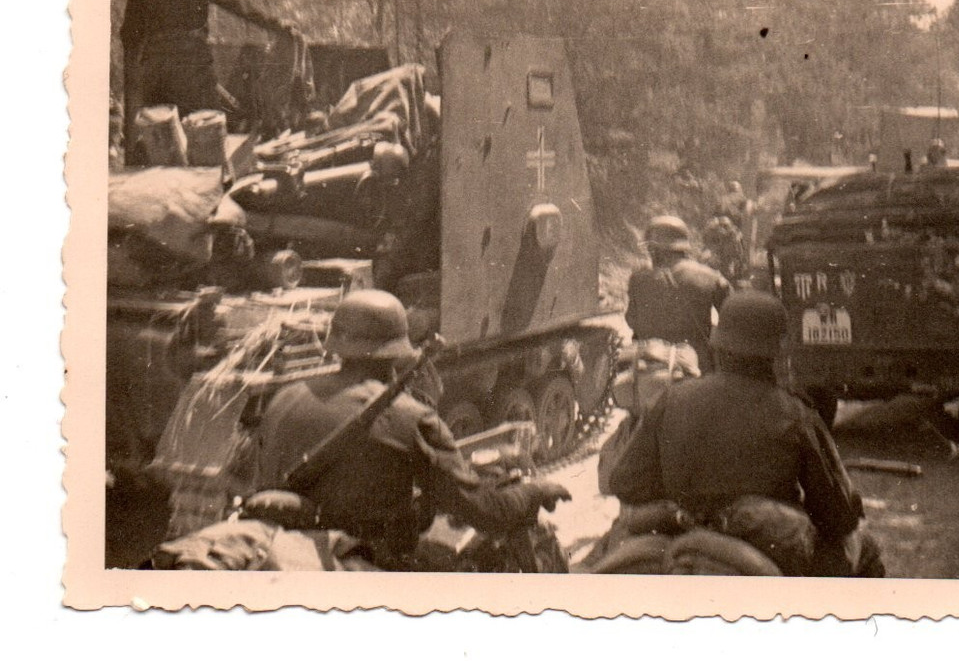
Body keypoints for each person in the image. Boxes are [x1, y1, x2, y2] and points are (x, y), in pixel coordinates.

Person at [156, 290, 570, 571]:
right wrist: (533, 492)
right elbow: (484, 512)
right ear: (398, 353)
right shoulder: (411, 417)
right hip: (370, 563)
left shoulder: (286, 397)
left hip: (286, 549)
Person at [606, 290, 883, 576]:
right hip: (767, 544)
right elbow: (839, 516)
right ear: (776, 354)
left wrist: (687, 502)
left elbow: (625, 482)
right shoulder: (795, 413)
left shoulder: (670, 400)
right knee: (866, 547)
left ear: (717, 346)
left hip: (681, 534)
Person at [120, 0, 296, 165]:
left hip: (155, 72)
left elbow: (129, 36)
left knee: (159, 137)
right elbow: (241, 6)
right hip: (191, 69)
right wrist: (276, 25)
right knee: (206, 132)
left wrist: (136, 77)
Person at [625, 215, 732, 374]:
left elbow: (631, 320)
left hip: (648, 367)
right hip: (697, 368)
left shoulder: (638, 279)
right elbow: (732, 322)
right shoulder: (711, 277)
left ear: (654, 250)